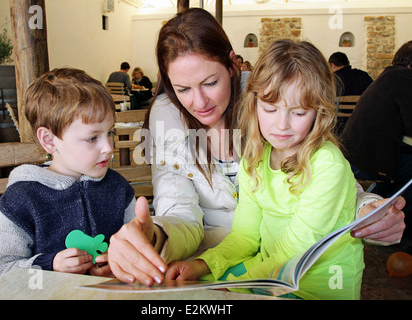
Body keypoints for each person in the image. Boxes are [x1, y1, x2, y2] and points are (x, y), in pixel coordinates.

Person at [107, 8, 406, 288]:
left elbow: (323, 171)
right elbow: (182, 210)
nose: (199, 103)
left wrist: (367, 208)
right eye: (182, 89)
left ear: (233, 64)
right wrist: (156, 235)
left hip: (286, 267)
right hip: (220, 254)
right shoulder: (167, 114)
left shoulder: (268, 93)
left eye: (210, 83)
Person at [166, 40, 364, 300]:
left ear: (319, 111)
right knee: (187, 291)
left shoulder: (327, 164)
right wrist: (203, 264)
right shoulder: (255, 158)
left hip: (315, 287)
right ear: (255, 104)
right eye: (270, 109)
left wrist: (236, 286)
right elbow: (245, 236)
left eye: (299, 112)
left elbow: (292, 254)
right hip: (268, 270)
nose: (282, 125)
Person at [0, 68, 137, 286]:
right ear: (49, 140)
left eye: (110, 132)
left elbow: (137, 249)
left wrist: (123, 263)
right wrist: (49, 266)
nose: (108, 148)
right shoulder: (21, 199)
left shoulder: (119, 189)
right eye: (92, 138)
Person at [341, 41, 412, 239]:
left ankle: (381, 207)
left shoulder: (390, 75)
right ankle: (395, 224)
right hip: (367, 159)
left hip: (356, 153)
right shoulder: (404, 78)